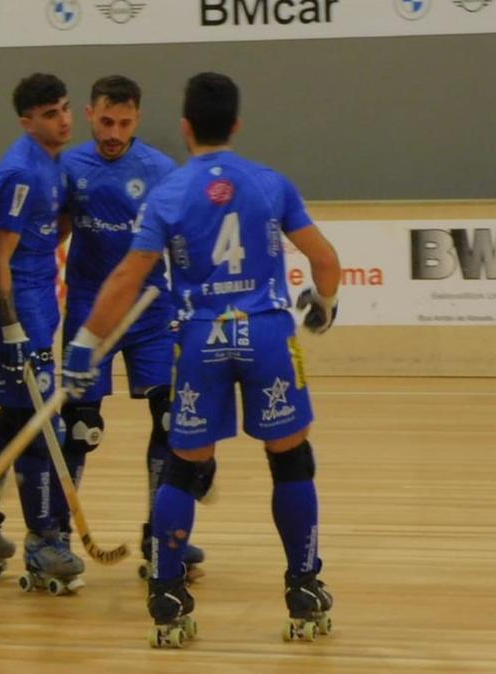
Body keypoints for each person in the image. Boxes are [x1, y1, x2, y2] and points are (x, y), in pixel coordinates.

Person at [62, 73, 340, 645]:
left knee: (184, 467)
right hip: (267, 335)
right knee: (292, 461)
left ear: (185, 127)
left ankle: (167, 596)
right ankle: (304, 588)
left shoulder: (169, 192)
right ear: (235, 124)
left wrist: (86, 344)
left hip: (200, 338)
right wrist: (325, 303)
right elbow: (325, 261)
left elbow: (126, 278)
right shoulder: (270, 183)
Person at [59, 74, 204, 579]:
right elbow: (49, 232)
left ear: (137, 118)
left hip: (151, 308)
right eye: (105, 122)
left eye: (124, 123)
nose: (114, 133)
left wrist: (190, 310)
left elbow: (182, 247)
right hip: (89, 308)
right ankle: (54, 540)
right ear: (89, 114)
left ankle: (161, 537)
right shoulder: (69, 167)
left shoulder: (162, 171)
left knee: (169, 423)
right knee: (81, 428)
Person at [0, 73, 85, 592]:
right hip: (18, 310)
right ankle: (43, 542)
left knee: (13, 419)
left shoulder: (53, 163)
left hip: (41, 300)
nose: (64, 120)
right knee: (41, 426)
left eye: (65, 108)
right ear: (27, 121)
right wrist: (11, 326)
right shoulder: (19, 172)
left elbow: (54, 229)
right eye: (51, 113)